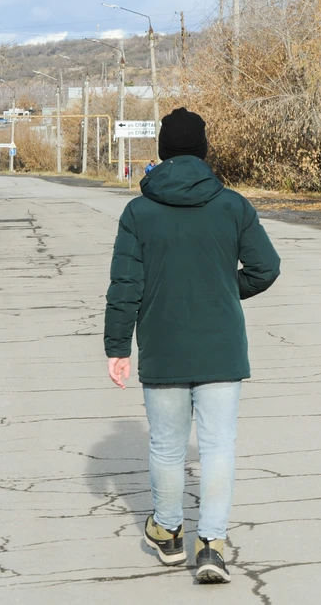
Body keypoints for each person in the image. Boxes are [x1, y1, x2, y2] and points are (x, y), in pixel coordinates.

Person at [103, 107, 281, 584]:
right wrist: (224, 290)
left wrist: (117, 347)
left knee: (165, 447)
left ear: (162, 152)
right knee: (219, 445)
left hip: (162, 345)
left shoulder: (138, 211)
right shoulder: (233, 205)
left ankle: (167, 533)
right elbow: (266, 268)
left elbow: (126, 284)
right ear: (203, 151)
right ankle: (212, 547)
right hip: (221, 345)